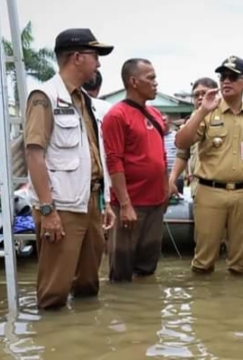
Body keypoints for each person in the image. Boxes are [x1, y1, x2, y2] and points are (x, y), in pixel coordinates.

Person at [24, 28, 115, 310]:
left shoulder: (83, 101)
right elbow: (34, 155)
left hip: (90, 202)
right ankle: (52, 345)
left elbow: (93, 154)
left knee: (89, 285)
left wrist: (105, 202)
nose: (98, 63)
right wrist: (48, 211)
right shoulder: (44, 97)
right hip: (61, 206)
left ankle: (85, 344)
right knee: (55, 291)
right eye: (95, 56)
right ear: (77, 57)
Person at [175, 56, 243, 274]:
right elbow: (181, 142)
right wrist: (202, 111)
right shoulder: (206, 113)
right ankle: (203, 305)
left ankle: (238, 305)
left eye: (233, 77)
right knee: (203, 260)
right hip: (209, 192)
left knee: (241, 264)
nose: (226, 81)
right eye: (223, 77)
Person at [101, 58, 168, 282]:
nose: (156, 83)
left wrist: (166, 190)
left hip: (156, 204)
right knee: (121, 272)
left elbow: (162, 156)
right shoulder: (116, 115)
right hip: (130, 206)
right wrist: (125, 205)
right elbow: (114, 161)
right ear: (133, 81)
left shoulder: (156, 114)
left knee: (148, 269)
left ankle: (146, 314)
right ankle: (122, 314)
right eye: (151, 78)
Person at [169, 77, 219, 198]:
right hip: (199, 188)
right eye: (197, 95)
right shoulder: (190, 122)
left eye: (204, 93)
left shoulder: (225, 117)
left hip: (221, 187)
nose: (200, 97)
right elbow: (182, 153)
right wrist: (172, 179)